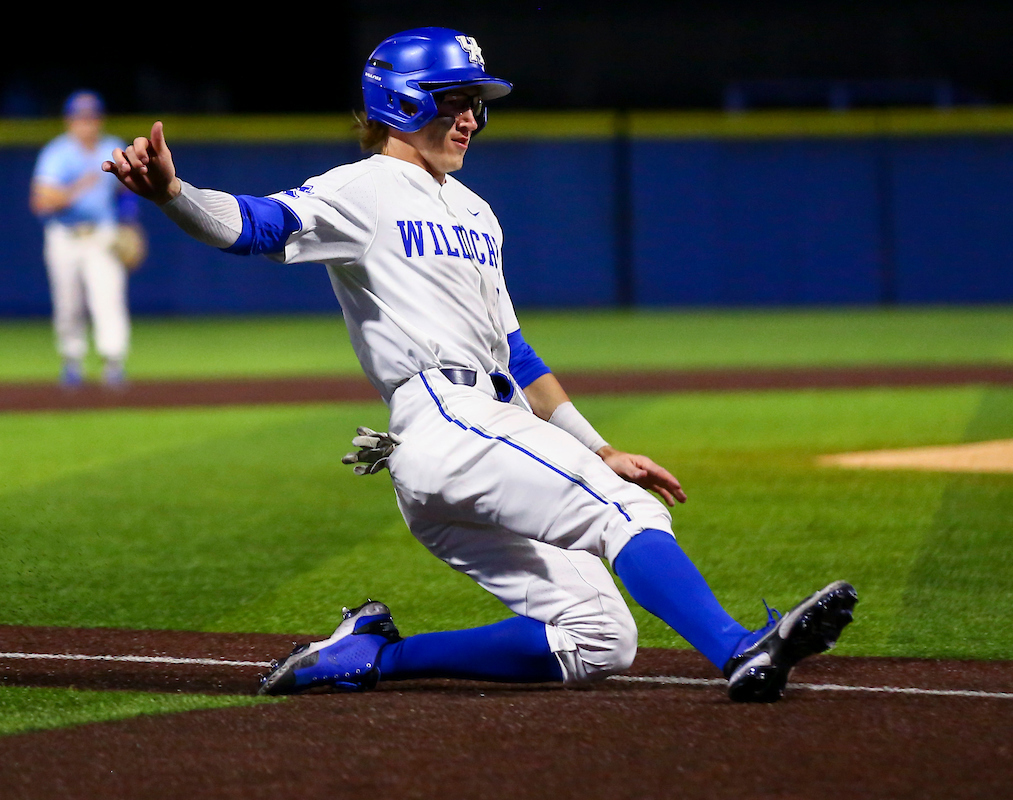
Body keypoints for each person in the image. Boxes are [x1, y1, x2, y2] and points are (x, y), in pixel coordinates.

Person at [102, 27, 857, 703]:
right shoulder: (364, 187)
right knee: (626, 513)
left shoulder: (476, 212)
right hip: (445, 420)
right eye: (455, 100)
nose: (471, 118)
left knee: (600, 638)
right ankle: (738, 649)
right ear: (401, 101)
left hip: (478, 431)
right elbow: (259, 224)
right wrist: (173, 194)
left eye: (476, 104)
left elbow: (516, 353)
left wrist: (598, 448)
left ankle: (371, 657)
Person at [31, 89, 137, 388]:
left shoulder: (112, 147)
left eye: (91, 117)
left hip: (102, 234)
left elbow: (126, 192)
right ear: (69, 121)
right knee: (68, 305)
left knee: (109, 299)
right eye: (80, 118)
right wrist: (76, 189)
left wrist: (130, 224)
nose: (86, 123)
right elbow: (41, 202)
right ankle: (72, 361)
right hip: (64, 236)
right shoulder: (57, 153)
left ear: (100, 119)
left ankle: (113, 363)